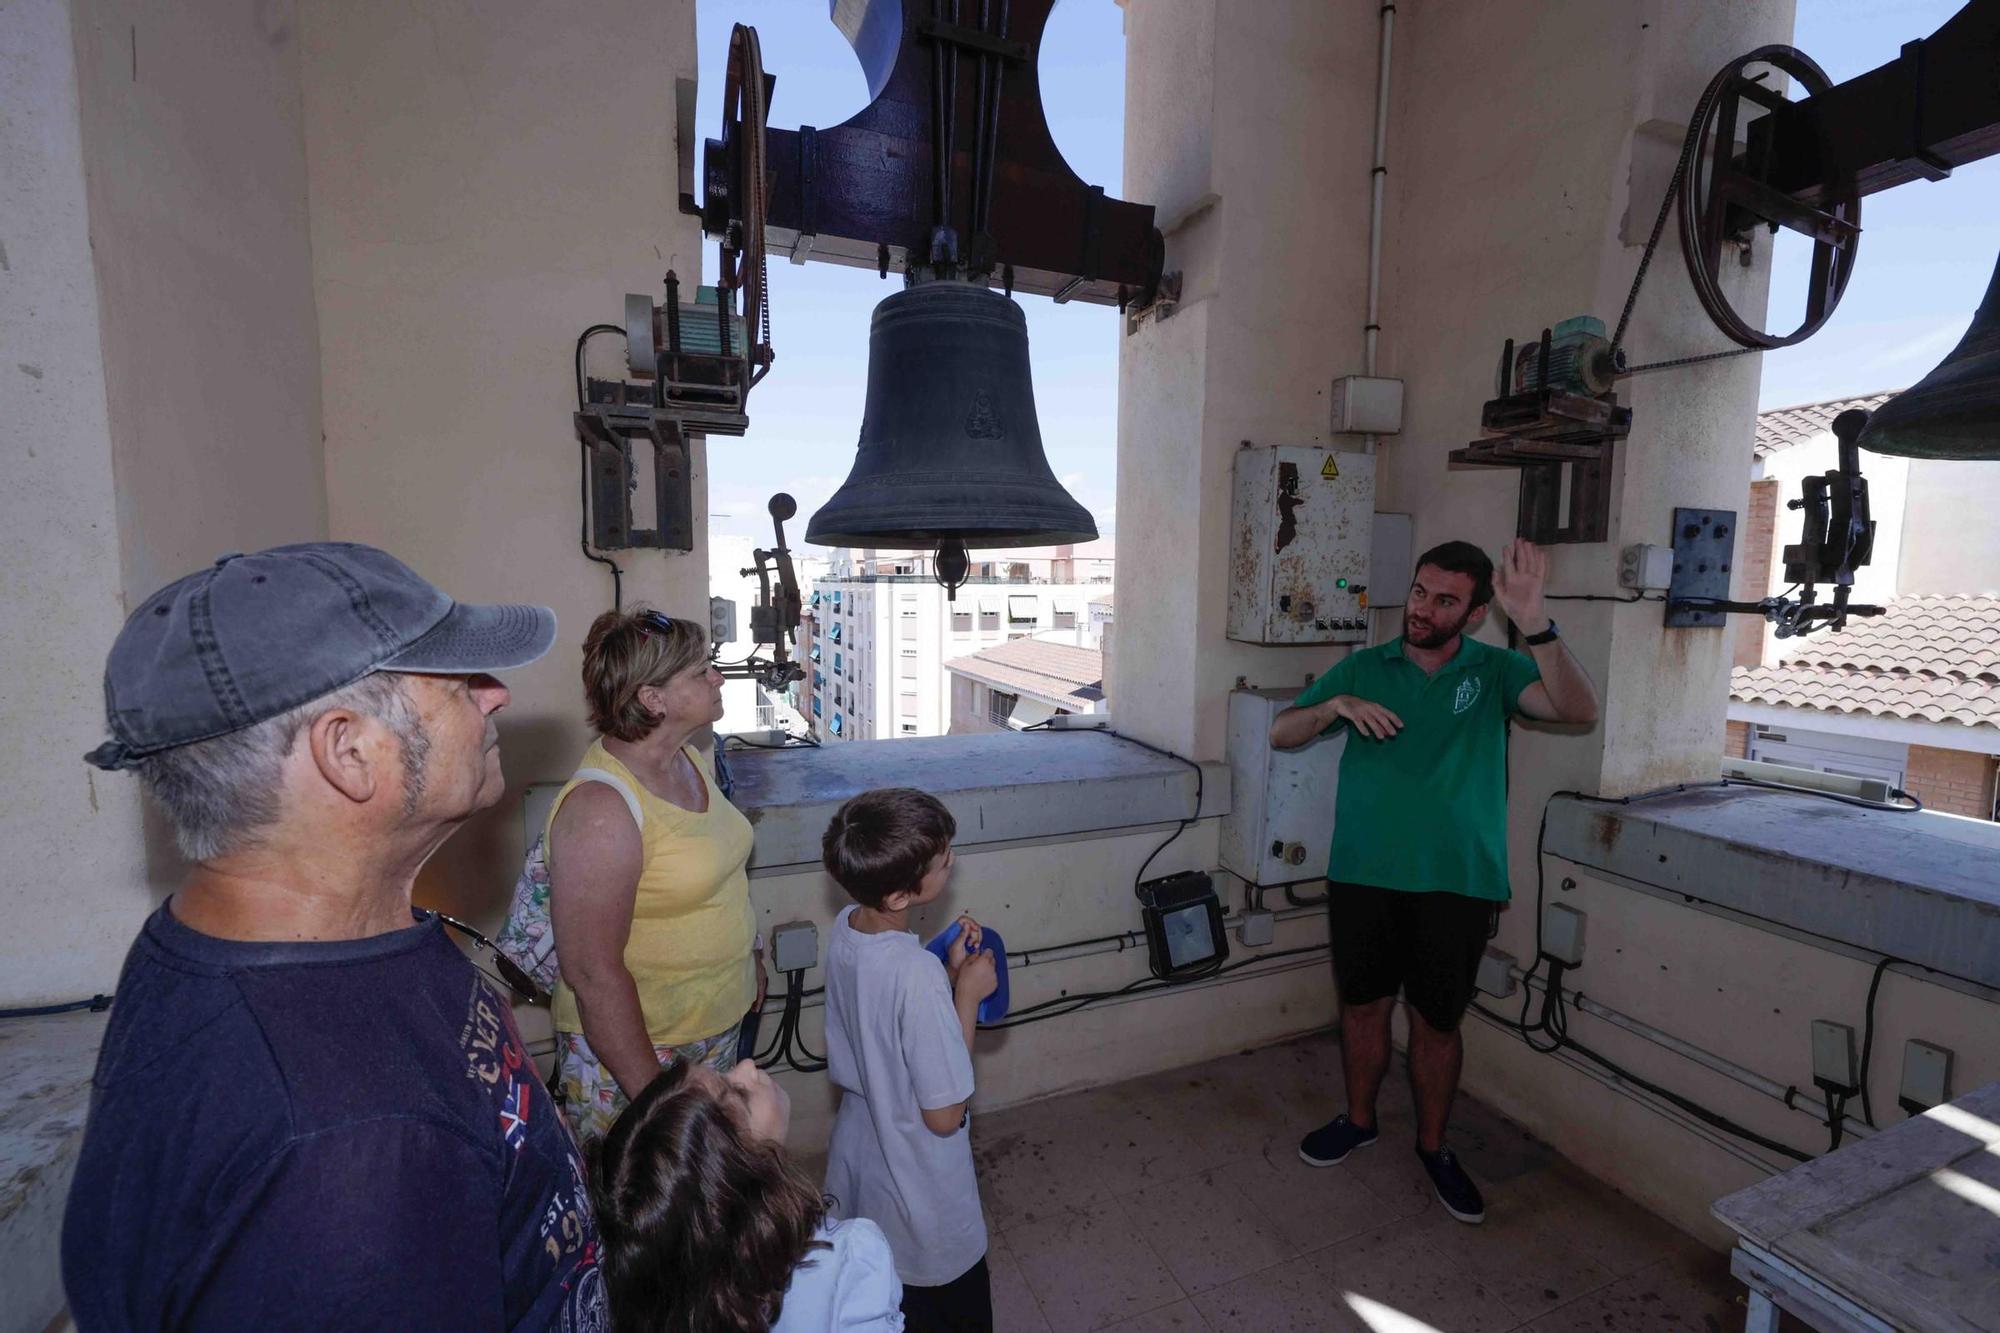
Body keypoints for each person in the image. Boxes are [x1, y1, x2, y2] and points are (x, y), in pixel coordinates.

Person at [62, 542, 604, 1329]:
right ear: (350, 753)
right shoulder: (343, 1158)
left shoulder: (236, 937)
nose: (495, 695)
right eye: (456, 682)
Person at [1270, 539, 1599, 1225]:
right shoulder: (1365, 665)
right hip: (1363, 874)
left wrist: (1535, 622)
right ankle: (1359, 1120)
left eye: (1445, 599)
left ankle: (1433, 1145)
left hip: (1457, 882)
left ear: (1477, 612)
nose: (1423, 608)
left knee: (1436, 1021)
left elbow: (1578, 710)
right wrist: (1335, 708)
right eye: (1420, 591)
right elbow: (1281, 732)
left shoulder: (1500, 668)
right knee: (1362, 1008)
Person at [547, 607, 766, 1144]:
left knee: (702, 1202)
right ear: (653, 699)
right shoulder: (602, 808)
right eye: (700, 671)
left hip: (712, 1027)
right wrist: (657, 1098)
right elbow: (592, 974)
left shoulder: (687, 759)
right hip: (641, 1052)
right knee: (645, 1206)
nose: (717, 677)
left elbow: (718, 870)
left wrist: (749, 959)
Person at [819, 790, 997, 1332]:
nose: (953, 862)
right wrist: (965, 995)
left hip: (865, 1153)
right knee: (939, 1305)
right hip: (918, 1177)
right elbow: (943, 1114)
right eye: (944, 860)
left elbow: (886, 1027)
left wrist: (941, 974)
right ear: (900, 894)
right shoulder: (915, 975)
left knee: (881, 1286)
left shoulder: (847, 927)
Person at [592, 1055, 904, 1332]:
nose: (747, 1067)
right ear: (732, 1185)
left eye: (725, 1074)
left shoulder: (660, 1298)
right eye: (739, 1094)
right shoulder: (852, 1262)